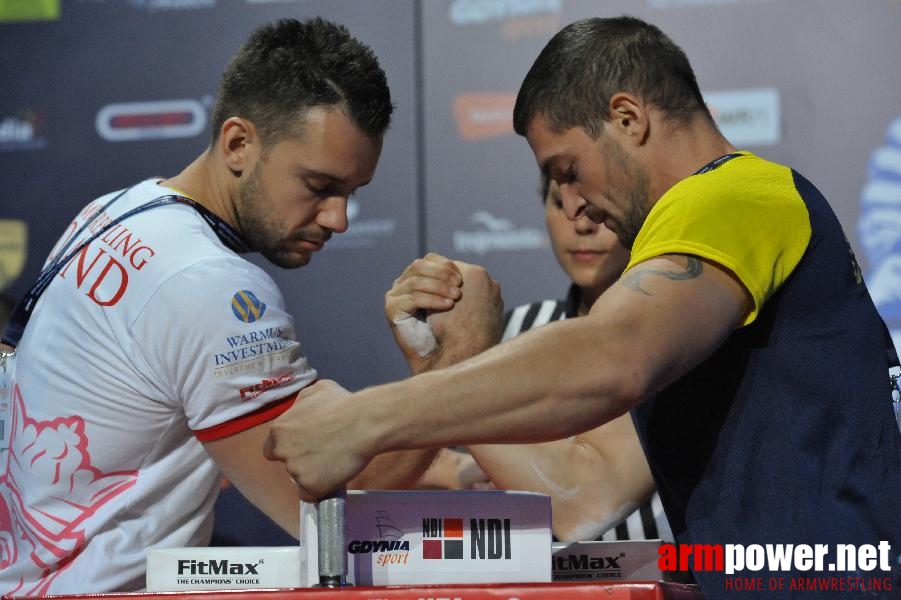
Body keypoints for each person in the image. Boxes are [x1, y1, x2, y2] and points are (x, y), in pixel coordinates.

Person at [264, 15, 901, 595]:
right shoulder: (701, 287)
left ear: (628, 118)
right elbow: (583, 491)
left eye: (567, 168)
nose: (571, 202)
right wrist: (454, 360)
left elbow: (614, 353)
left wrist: (365, 418)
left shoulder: (736, 194)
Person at [0, 18, 500, 596]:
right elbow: (329, 515)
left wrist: (438, 434)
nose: (338, 218)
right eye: (319, 186)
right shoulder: (208, 284)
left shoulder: (117, 210)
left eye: (351, 194)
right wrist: (457, 362)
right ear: (239, 143)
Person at [410, 176, 671, 542]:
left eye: (597, 199)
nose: (582, 224)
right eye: (560, 203)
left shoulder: (681, 336)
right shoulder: (511, 332)